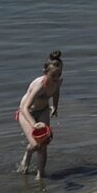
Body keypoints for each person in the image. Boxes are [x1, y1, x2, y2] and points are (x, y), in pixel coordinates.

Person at [16, 51, 62, 179]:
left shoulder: (58, 81)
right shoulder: (39, 86)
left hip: (43, 111)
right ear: (45, 72)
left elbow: (56, 93)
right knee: (36, 145)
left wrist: (55, 107)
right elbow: (25, 107)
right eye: (53, 75)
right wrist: (34, 124)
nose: (56, 78)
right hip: (26, 113)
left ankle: (40, 175)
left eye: (59, 74)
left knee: (44, 144)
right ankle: (28, 153)